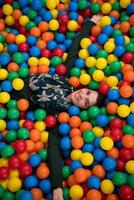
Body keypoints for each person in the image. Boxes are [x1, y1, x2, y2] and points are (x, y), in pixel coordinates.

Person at [11, 14, 104, 200]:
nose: (82, 96)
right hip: (17, 75)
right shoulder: (69, 78)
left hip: (14, 97)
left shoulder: (62, 114)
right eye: (86, 93)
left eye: (86, 102)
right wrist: (89, 23)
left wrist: (57, 187)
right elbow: (75, 48)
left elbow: (53, 147)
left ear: (83, 109)